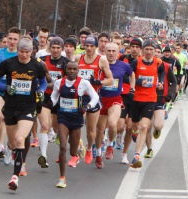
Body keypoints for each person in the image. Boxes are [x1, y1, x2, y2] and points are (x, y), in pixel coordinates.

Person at [0, 37, 47, 190]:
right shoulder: (8, 64)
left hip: (28, 107)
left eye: (27, 52)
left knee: (19, 138)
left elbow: (43, 83)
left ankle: (15, 176)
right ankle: (12, 151)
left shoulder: (37, 65)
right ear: (17, 51)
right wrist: (6, 87)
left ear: (31, 52)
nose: (24, 55)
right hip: (10, 107)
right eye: (21, 51)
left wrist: (41, 91)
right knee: (11, 143)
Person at [51, 61, 99, 188]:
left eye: (74, 69)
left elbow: (95, 97)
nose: (71, 71)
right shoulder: (59, 82)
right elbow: (54, 97)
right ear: (66, 70)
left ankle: (79, 148)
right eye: (69, 69)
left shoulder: (84, 83)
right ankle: (62, 178)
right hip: (63, 117)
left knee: (73, 152)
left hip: (76, 118)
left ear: (78, 71)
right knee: (62, 147)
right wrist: (50, 103)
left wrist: (87, 106)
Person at [95, 42, 135, 169]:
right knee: (100, 130)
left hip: (115, 99)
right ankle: (98, 155)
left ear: (118, 53)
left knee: (113, 124)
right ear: (104, 52)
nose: (111, 53)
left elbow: (132, 74)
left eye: (114, 51)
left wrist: (132, 89)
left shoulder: (123, 65)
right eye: (109, 51)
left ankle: (110, 145)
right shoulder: (100, 64)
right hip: (101, 99)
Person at [75, 35, 114, 165]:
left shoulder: (101, 60)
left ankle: (89, 148)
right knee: (77, 123)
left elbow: (111, 80)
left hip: (94, 97)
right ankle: (78, 148)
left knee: (91, 131)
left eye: (92, 46)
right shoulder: (77, 58)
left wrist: (98, 81)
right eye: (87, 45)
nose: (89, 48)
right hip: (79, 96)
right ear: (84, 46)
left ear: (96, 47)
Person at [129, 40, 164, 168]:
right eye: (147, 49)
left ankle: (136, 156)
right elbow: (128, 76)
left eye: (151, 50)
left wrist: (160, 82)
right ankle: (134, 131)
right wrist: (138, 81)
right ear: (143, 50)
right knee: (134, 125)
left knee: (144, 127)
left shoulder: (158, 62)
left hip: (150, 99)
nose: (149, 52)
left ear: (154, 51)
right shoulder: (136, 62)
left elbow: (161, 73)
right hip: (136, 99)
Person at [37, 37, 70, 168]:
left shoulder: (66, 62)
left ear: (62, 49)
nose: (55, 50)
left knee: (56, 127)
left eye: (58, 48)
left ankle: (58, 139)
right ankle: (43, 156)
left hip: (59, 98)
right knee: (45, 125)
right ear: (49, 47)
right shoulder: (43, 60)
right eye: (53, 47)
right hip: (45, 96)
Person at [0, 27, 21, 160]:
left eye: (15, 39)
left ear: (19, 41)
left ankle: (10, 147)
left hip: (15, 93)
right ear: (6, 39)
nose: (12, 41)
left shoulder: (21, 55)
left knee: (11, 122)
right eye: (10, 38)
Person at [144, 45, 176, 158]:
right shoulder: (144, 65)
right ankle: (149, 149)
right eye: (155, 52)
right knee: (147, 126)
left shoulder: (166, 66)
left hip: (160, 99)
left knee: (157, 126)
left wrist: (170, 95)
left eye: (158, 52)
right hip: (146, 99)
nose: (156, 54)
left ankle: (158, 129)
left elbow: (173, 81)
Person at [117, 38, 142, 164]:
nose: (135, 49)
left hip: (136, 97)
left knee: (130, 127)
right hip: (122, 94)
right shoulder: (122, 59)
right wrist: (134, 80)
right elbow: (120, 75)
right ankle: (116, 136)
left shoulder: (142, 61)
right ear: (129, 47)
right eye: (133, 46)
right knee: (120, 126)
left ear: (140, 49)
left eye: (137, 47)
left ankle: (124, 154)